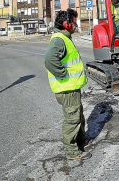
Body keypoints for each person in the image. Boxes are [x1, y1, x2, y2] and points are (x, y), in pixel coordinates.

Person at [44, 9, 91, 160]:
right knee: (72, 119)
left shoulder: (64, 37)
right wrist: (62, 74)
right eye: (74, 21)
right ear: (66, 24)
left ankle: (80, 139)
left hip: (72, 87)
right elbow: (50, 60)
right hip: (67, 88)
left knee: (78, 115)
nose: (76, 24)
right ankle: (72, 152)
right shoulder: (59, 39)